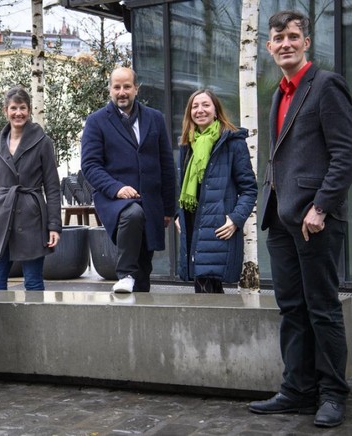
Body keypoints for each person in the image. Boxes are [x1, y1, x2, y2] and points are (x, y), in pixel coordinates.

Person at [248, 10, 352, 428]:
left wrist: (321, 206)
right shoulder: (279, 92)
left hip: (316, 220)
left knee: (322, 308)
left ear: (306, 42)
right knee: (292, 308)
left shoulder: (326, 86)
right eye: (278, 38)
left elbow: (345, 154)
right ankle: (297, 389)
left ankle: (331, 394)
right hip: (282, 216)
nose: (286, 43)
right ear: (269, 46)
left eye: (294, 36)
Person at [81, 67, 176, 293]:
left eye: (126, 87)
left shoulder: (155, 118)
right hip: (115, 200)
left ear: (136, 89)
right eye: (116, 87)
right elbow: (90, 166)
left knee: (144, 268)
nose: (121, 92)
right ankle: (124, 273)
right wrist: (117, 188)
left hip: (150, 200)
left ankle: (138, 310)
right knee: (133, 214)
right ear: (110, 90)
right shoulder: (96, 122)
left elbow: (166, 166)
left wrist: (168, 209)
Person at [175, 89, 257, 293]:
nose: (200, 110)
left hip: (219, 226)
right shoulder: (188, 145)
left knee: (208, 285)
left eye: (205, 105)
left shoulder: (233, 142)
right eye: (195, 106)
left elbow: (249, 189)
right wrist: (179, 214)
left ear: (216, 110)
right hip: (193, 223)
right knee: (203, 286)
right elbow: (181, 188)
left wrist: (236, 219)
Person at [0, 86, 62, 291]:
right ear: (5, 111)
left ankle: (37, 324)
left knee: (34, 282)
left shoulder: (42, 142)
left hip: (32, 217)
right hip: (1, 219)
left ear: (29, 111)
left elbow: (53, 187)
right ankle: (0, 324)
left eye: (22, 108)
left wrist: (54, 225)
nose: (18, 113)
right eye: (13, 108)